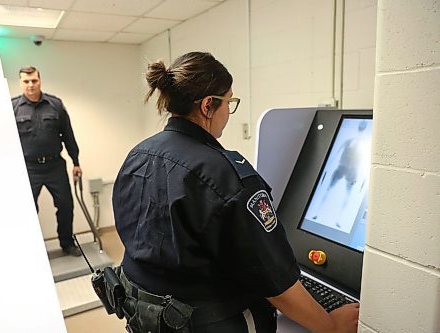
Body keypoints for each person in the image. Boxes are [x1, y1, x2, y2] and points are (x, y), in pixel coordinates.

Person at [112, 52, 359, 332]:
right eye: (229, 102)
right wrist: (330, 325)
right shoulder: (227, 176)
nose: (229, 112)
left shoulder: (138, 155)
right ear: (208, 106)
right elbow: (275, 282)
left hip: (148, 319)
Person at [12, 66, 82, 257]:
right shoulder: (12, 107)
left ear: (40, 80)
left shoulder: (55, 104)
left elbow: (68, 134)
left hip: (54, 166)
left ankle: (67, 243)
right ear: (21, 83)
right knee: (27, 210)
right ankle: (30, 248)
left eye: (34, 80)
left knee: (66, 204)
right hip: (28, 168)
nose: (30, 85)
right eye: (26, 81)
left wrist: (76, 161)